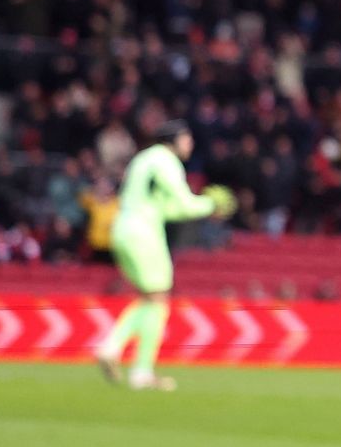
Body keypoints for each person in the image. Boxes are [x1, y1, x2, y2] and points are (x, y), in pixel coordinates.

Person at [94, 121, 235, 391]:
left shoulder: (142, 160)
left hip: (122, 229)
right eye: (186, 138)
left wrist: (202, 206)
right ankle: (131, 363)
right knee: (158, 298)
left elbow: (165, 208)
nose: (189, 144)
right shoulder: (166, 161)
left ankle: (123, 357)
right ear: (174, 140)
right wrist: (211, 204)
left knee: (150, 298)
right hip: (144, 233)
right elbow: (183, 203)